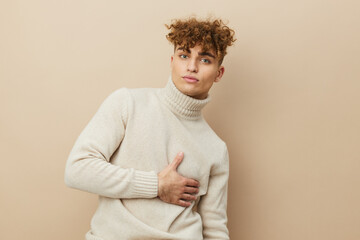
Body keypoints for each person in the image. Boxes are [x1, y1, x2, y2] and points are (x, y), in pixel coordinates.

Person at [65, 16, 236, 240]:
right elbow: (77, 169)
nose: (191, 67)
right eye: (184, 56)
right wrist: (156, 185)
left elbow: (214, 230)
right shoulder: (127, 103)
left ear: (218, 73)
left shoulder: (216, 148)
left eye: (205, 60)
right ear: (172, 60)